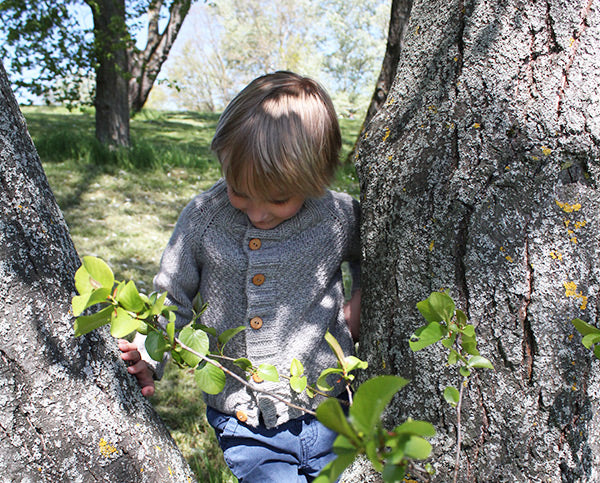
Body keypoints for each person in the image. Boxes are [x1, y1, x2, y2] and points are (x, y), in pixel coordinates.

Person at [118, 71, 361, 482]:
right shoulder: (203, 220)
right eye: (239, 190)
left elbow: (373, 256)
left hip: (332, 409)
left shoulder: (335, 216)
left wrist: (357, 307)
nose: (257, 212)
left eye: (279, 199)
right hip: (247, 423)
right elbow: (169, 297)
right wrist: (147, 351)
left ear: (316, 178)